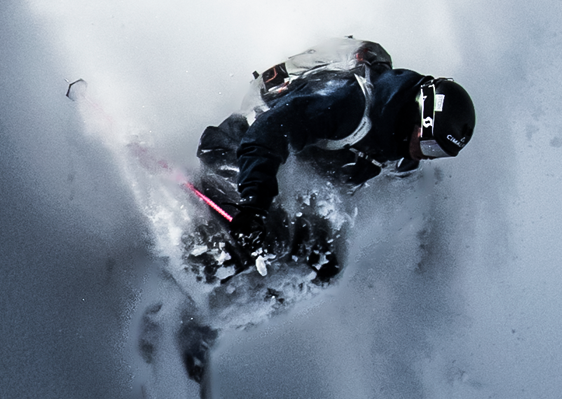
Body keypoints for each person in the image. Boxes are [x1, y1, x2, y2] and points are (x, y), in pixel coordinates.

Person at [193, 39, 476, 266]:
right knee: (265, 234)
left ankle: (240, 303)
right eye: (430, 145)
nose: (428, 155)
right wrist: (255, 204)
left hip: (284, 177)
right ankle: (197, 251)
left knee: (324, 262)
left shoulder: (401, 152)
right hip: (241, 148)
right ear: (419, 116)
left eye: (439, 153)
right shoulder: (346, 101)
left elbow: (418, 193)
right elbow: (267, 134)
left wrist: (431, 248)